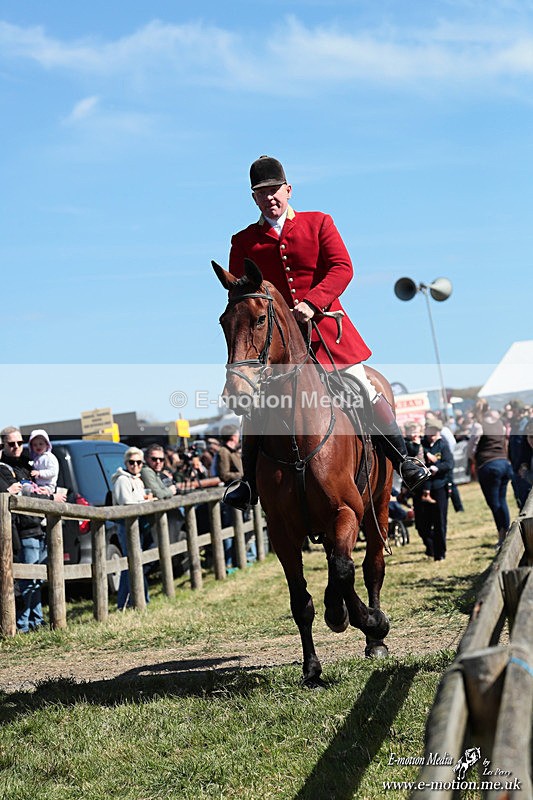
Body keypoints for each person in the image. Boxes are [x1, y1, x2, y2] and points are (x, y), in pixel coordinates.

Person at [223, 155, 429, 510]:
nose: (270, 197)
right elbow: (241, 292)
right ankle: (249, 485)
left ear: (288, 190)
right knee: (254, 409)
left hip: (327, 333)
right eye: (262, 192)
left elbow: (342, 268)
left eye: (275, 190)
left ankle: (404, 460)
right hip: (277, 348)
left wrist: (313, 302)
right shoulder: (243, 240)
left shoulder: (319, 223)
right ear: (254, 198)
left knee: (363, 388)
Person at [0, 426, 65, 632]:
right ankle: (23, 624)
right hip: (23, 529)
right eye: (12, 444)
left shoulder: (28, 463)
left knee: (38, 577)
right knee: (27, 578)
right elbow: (21, 498)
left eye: (20, 442)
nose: (17, 447)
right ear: (4, 445)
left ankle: (36, 620)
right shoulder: (3, 468)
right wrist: (50, 498)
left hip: (39, 525)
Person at [467, 399, 514, 548]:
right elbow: (505, 443)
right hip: (504, 463)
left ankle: (502, 537)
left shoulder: (478, 425)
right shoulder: (499, 424)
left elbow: (471, 449)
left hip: (488, 465)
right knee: (502, 501)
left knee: (494, 503)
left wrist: (475, 460)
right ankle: (507, 534)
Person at [111, 447, 153, 610]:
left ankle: (134, 600)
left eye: (138, 462)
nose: (135, 465)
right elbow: (126, 503)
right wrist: (146, 503)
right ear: (126, 463)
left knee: (135, 562)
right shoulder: (122, 479)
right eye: (131, 462)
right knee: (132, 562)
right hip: (126, 525)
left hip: (138, 524)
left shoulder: (138, 479)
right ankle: (129, 601)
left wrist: (145, 500)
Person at [414, 418, 454, 562]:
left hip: (439, 488)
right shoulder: (420, 445)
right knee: (421, 524)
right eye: (428, 431)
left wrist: (437, 467)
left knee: (439, 522)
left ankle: (440, 553)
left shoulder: (442, 445)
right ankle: (430, 546)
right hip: (420, 489)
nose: (431, 435)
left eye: (434, 432)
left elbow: (449, 463)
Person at [28, 429, 59, 494]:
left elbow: (53, 472)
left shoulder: (49, 457)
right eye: (35, 445)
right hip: (38, 485)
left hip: (48, 486)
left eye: (41, 444)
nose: (38, 446)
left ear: (47, 444)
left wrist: (39, 473)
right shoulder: (36, 459)